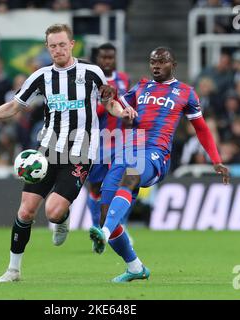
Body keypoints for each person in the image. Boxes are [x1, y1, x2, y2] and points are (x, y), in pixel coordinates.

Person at [0, 23, 136, 282]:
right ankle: (13, 269)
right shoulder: (41, 76)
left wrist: (122, 111)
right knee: (26, 211)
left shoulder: (92, 72)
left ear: (71, 44)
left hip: (81, 152)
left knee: (52, 211)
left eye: (62, 44)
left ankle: (62, 217)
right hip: (47, 150)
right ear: (47, 48)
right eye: (52, 46)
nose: (58, 50)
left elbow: (109, 103)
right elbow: (16, 105)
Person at [89, 47, 230, 282]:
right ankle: (135, 267)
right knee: (107, 216)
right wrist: (111, 98)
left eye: (162, 62)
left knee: (131, 177)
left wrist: (216, 160)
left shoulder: (186, 92)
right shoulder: (141, 87)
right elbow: (116, 105)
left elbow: (202, 128)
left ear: (173, 64)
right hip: (127, 150)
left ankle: (102, 233)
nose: (156, 66)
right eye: (153, 61)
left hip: (156, 154)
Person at [86, 43, 132, 245]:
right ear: (96, 59)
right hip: (98, 141)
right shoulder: (90, 80)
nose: (107, 61)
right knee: (96, 188)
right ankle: (98, 226)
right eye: (103, 57)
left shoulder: (123, 78)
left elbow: (128, 103)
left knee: (121, 185)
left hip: (121, 142)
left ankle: (117, 229)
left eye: (110, 57)